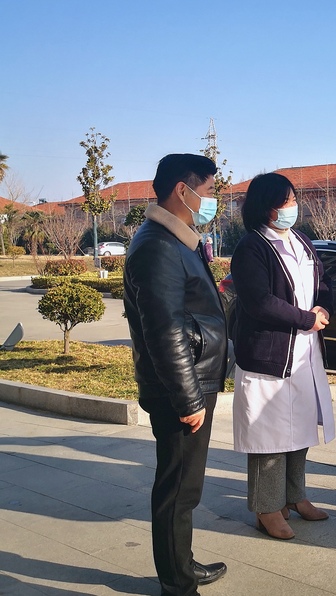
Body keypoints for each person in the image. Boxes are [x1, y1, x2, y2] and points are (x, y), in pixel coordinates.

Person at [123, 154, 228, 596]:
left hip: (192, 381)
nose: (214, 200)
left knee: (186, 486)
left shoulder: (175, 240)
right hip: (181, 390)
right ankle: (177, 584)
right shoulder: (158, 246)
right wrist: (188, 399)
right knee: (178, 489)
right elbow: (164, 330)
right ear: (182, 190)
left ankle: (181, 565)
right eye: (209, 191)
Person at [230, 172, 335, 540]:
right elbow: (259, 301)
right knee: (269, 436)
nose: (293, 206)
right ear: (267, 207)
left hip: (304, 353)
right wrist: (306, 319)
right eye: (286, 201)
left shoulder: (301, 240)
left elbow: (323, 282)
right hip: (269, 355)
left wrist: (323, 307)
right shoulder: (252, 247)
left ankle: (295, 496)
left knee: (300, 428)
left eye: (293, 199)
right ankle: (267, 509)